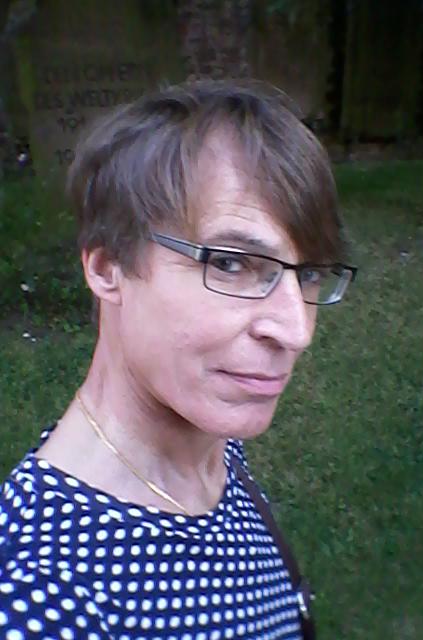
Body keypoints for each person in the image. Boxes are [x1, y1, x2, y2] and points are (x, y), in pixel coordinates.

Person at [0, 79, 356, 639]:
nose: (297, 330)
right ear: (107, 268)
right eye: (232, 263)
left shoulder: (212, 447)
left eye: (308, 273)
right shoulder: (43, 595)